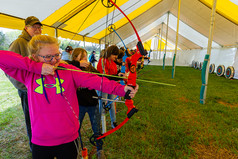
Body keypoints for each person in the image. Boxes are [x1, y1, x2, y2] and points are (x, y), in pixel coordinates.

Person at [0, 35, 138, 159]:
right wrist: (36, 67)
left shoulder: (69, 71)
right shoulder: (28, 74)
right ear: (35, 57)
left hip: (68, 139)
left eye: (57, 55)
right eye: (48, 57)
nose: (54, 60)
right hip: (40, 140)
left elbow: (95, 80)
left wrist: (122, 89)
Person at [6, 16, 42, 151]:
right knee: (31, 119)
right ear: (26, 28)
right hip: (27, 90)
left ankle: (42, 144)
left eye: (39, 27)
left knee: (40, 118)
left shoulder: (38, 43)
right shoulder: (18, 43)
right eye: (34, 27)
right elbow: (9, 69)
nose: (37, 30)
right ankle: (34, 148)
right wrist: (24, 86)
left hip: (39, 88)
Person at [70, 48, 105, 158]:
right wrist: (78, 64)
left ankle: (100, 150)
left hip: (92, 103)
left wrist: (116, 77)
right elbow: (64, 64)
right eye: (82, 57)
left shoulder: (90, 68)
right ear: (75, 58)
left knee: (96, 128)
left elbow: (101, 77)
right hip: (78, 105)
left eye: (86, 57)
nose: (85, 59)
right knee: (76, 129)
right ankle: (77, 149)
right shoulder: (71, 69)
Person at [97, 45, 120, 129]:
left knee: (112, 104)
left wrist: (118, 76)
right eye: (114, 54)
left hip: (111, 86)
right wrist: (116, 76)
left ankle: (113, 122)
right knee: (103, 104)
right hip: (104, 86)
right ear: (110, 53)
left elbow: (114, 75)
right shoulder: (103, 61)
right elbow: (104, 76)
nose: (116, 57)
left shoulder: (114, 64)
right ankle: (100, 124)